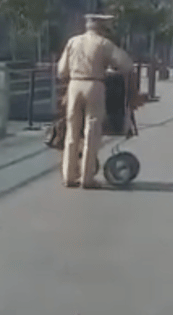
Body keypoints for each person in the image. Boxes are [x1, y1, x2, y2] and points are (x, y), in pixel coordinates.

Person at [56, 14, 134, 189]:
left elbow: (61, 71)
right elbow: (126, 65)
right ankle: (87, 177)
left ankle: (69, 175)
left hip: (74, 85)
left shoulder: (73, 42)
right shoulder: (103, 43)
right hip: (95, 84)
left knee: (72, 131)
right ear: (102, 27)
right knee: (92, 131)